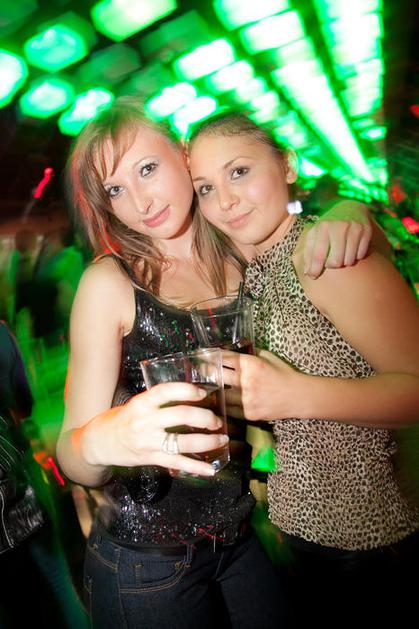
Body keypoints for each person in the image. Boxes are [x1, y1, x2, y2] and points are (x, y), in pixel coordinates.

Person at [56, 97, 373, 628]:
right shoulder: (110, 284)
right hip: (145, 563)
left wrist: (349, 213)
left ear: (183, 154)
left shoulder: (238, 252)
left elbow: (298, 225)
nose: (139, 201)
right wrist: (104, 440)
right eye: (115, 189)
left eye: (147, 169)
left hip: (240, 536)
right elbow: (73, 458)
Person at [187, 112, 419, 627]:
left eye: (239, 172)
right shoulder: (250, 274)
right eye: (205, 188)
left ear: (287, 165)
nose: (225, 201)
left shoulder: (325, 256)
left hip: (369, 541)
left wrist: (295, 395)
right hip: (298, 530)